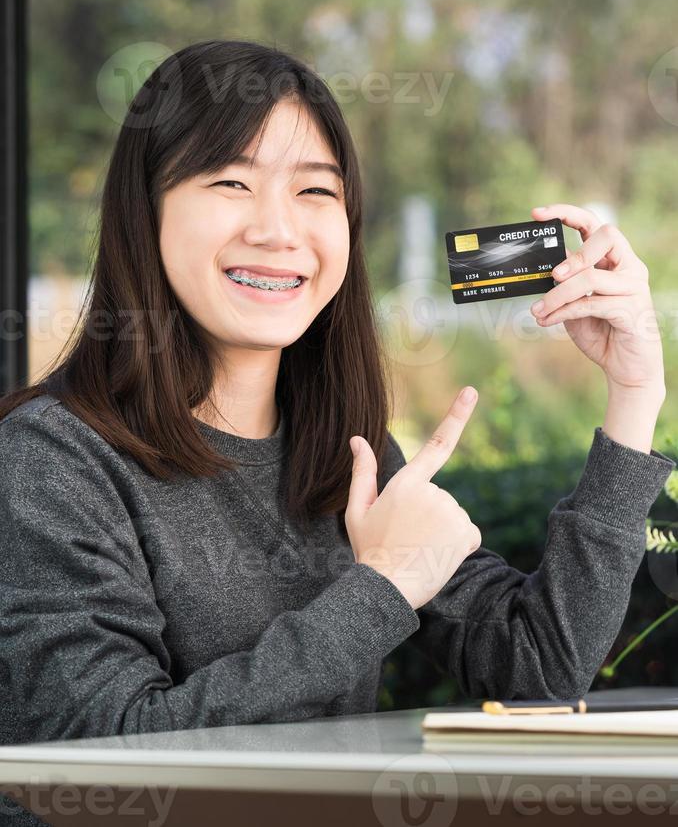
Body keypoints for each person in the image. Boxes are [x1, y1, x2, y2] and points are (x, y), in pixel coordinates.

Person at [0, 39, 674, 756]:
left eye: (315, 191)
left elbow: (538, 671)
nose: (277, 230)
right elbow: (99, 755)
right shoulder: (51, 460)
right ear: (147, 209)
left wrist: (634, 395)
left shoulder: (344, 450)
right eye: (231, 183)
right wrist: (382, 586)